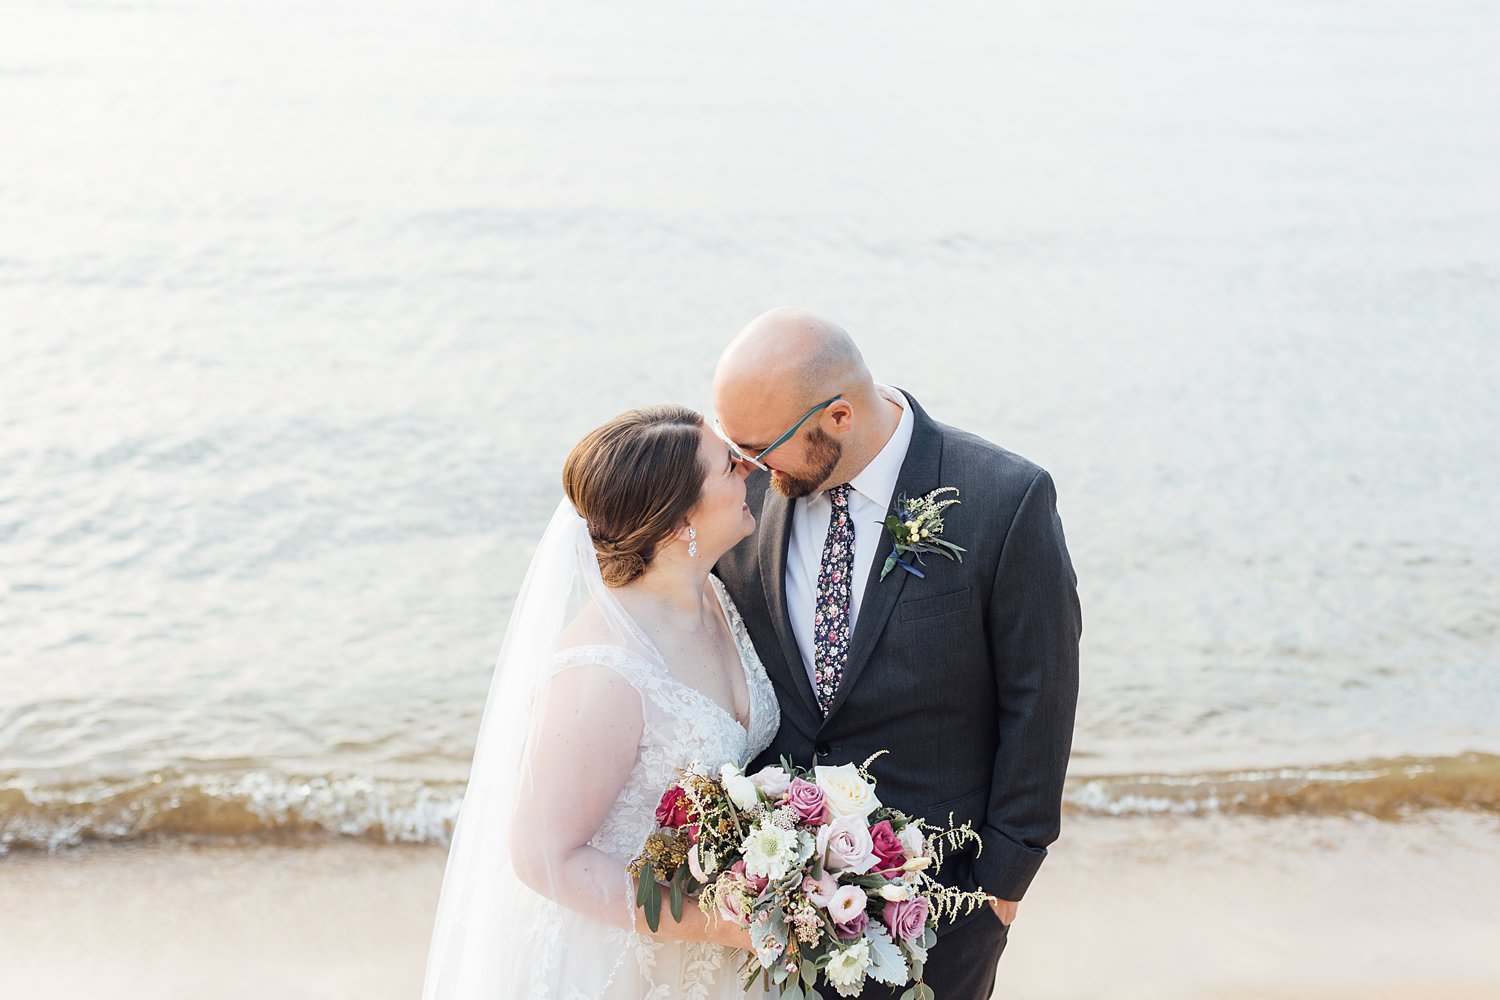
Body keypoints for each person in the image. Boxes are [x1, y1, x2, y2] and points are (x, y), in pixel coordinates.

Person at [713, 308, 1081, 1000]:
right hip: (773, 902)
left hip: (939, 906)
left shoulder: (1005, 499)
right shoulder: (741, 498)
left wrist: (999, 888)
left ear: (840, 417)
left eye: (762, 448)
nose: (747, 466)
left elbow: (1042, 697)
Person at [422, 404, 780, 999]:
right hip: (623, 964)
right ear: (675, 523)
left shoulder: (719, 597)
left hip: (721, 956)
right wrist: (722, 923)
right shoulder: (604, 669)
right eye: (727, 467)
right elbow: (545, 857)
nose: (750, 470)